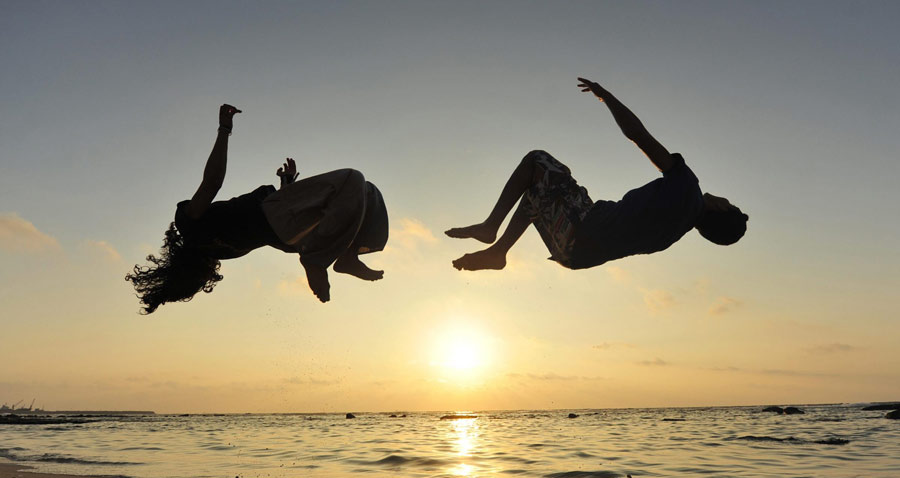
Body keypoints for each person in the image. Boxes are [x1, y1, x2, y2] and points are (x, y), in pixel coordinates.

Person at [446, 78, 747, 272]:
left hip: (585, 224)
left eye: (729, 203)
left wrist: (607, 97)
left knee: (537, 161)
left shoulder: (687, 188)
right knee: (538, 192)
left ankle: (490, 227)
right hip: (574, 256)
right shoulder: (673, 234)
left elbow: (637, 135)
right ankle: (498, 252)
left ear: (722, 208)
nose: (725, 198)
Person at [127, 104, 388, 313]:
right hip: (282, 218)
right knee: (353, 180)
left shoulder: (222, 251)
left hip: (291, 234)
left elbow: (266, 226)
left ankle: (347, 255)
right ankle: (318, 262)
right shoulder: (190, 225)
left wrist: (286, 185)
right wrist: (223, 130)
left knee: (365, 194)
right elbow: (212, 183)